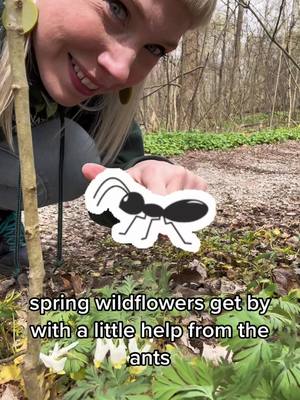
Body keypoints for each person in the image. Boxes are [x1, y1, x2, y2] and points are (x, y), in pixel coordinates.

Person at [0, 0, 216, 276]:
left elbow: (115, 165)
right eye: (117, 8)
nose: (120, 70)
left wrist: (142, 178)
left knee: (76, 157)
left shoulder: (94, 92)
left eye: (154, 49)